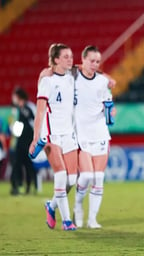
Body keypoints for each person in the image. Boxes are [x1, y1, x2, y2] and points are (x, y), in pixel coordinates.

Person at [29, 43, 78, 231]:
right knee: (61, 174)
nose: (70, 59)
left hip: (68, 133)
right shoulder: (47, 81)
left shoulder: (71, 79)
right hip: (50, 134)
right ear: (56, 59)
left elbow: (83, 68)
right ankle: (67, 221)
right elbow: (40, 112)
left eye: (71, 56)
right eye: (66, 56)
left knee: (72, 180)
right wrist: (36, 138)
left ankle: (51, 205)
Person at [72, 45, 114, 229]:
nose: (95, 64)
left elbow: (108, 105)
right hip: (81, 133)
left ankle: (92, 219)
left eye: (98, 61)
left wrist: (111, 114)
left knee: (98, 177)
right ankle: (78, 205)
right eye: (92, 61)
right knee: (86, 175)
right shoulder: (72, 77)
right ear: (83, 60)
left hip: (100, 132)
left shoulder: (103, 82)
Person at [10, 87, 37, 195]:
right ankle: (16, 186)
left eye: (15, 96)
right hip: (19, 142)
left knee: (28, 164)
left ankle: (30, 186)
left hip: (28, 142)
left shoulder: (28, 108)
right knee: (17, 164)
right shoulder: (16, 109)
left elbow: (33, 123)